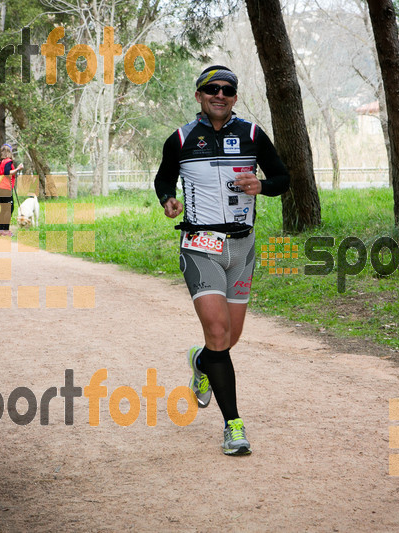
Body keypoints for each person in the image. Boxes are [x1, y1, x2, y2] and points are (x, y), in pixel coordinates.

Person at [154, 65, 290, 456]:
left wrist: (262, 185)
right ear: (199, 95)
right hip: (200, 245)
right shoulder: (180, 139)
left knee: (228, 338)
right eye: (211, 89)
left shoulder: (251, 135)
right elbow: (164, 178)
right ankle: (234, 426)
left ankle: (201, 361)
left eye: (227, 90)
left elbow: (283, 179)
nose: (219, 94)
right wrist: (167, 199)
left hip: (242, 249)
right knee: (218, 334)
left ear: (234, 97)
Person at [0, 143, 23, 236]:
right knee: (9, 209)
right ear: (9, 152)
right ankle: (6, 231)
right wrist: (18, 169)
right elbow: (7, 173)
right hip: (6, 188)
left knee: (3, 209)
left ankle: (0, 230)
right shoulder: (8, 161)